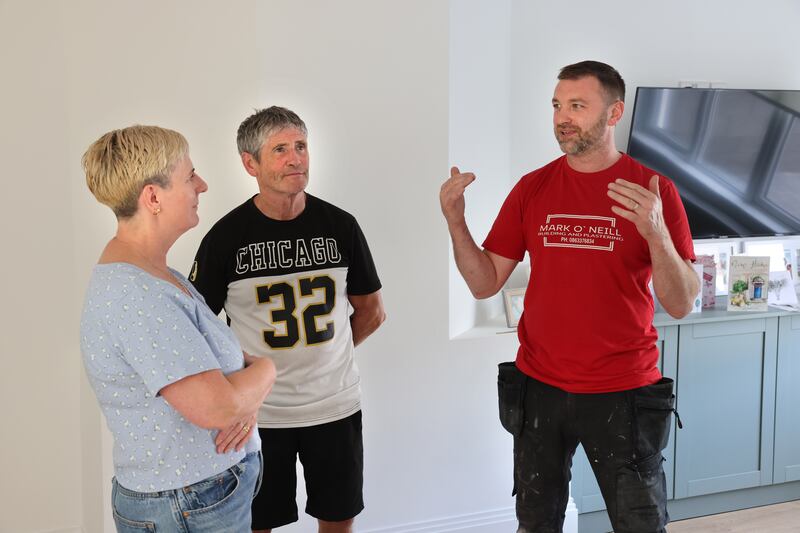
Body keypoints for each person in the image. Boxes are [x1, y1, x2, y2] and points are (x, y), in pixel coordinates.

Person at [440, 61, 699, 532]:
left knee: (639, 525)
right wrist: (456, 221)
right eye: (558, 105)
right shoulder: (533, 187)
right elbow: (484, 283)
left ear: (614, 112)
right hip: (540, 389)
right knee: (536, 524)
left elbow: (681, 303)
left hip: (625, 391)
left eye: (577, 106)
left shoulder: (654, 190)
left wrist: (657, 235)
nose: (563, 117)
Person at [190, 106, 386, 533]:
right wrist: (235, 391)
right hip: (261, 415)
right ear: (250, 163)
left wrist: (327, 357)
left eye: (300, 146)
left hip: (335, 406)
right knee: (257, 521)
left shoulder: (340, 226)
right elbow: (198, 329)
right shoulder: (225, 238)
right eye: (280, 149)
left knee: (338, 517)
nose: (295, 158)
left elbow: (371, 311)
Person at [80, 125, 277, 532]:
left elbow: (226, 381)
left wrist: (245, 395)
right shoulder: (138, 295)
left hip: (194, 499)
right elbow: (217, 407)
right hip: (188, 505)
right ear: (153, 198)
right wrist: (266, 373)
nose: (201, 185)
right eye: (190, 177)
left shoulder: (157, 276)